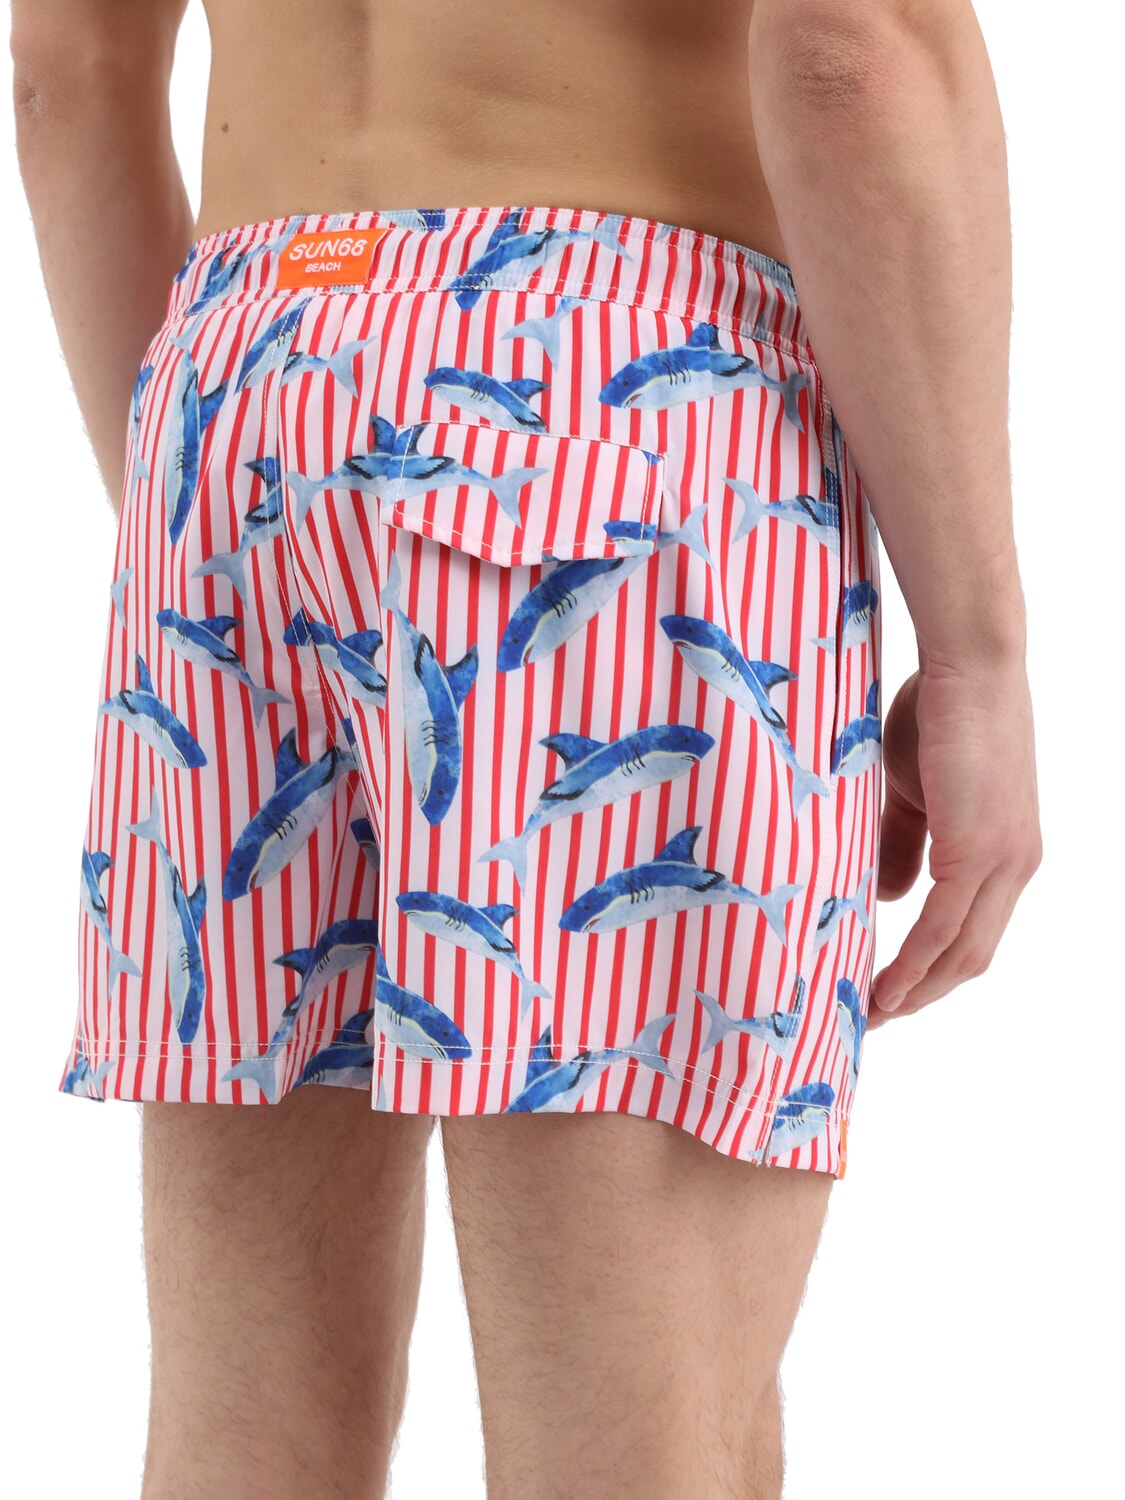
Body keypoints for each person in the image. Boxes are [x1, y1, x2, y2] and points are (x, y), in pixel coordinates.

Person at [12, 0, 1041, 1495]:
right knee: (640, 1445)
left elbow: (64, 65)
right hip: (598, 397)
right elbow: (847, 43)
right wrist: (977, 656)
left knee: (241, 1428)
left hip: (237, 380)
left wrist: (230, 530)